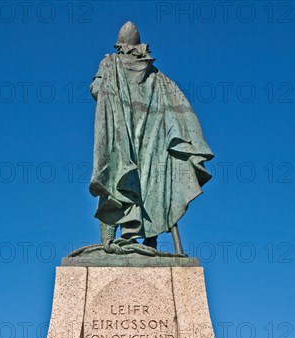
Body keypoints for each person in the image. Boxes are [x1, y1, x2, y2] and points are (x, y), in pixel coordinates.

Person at [89, 21, 213, 251]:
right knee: (145, 185)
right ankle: (141, 241)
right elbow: (177, 108)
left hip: (134, 136)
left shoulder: (119, 66)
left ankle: (128, 241)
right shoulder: (153, 75)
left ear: (121, 46)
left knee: (125, 185)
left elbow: (96, 90)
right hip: (138, 136)